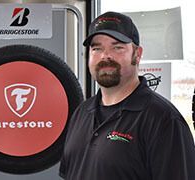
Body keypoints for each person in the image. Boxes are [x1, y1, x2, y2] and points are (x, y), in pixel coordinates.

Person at [59, 11, 195, 180]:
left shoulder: (163, 120)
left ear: (137, 54)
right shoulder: (82, 113)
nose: (105, 55)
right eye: (97, 48)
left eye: (117, 47)